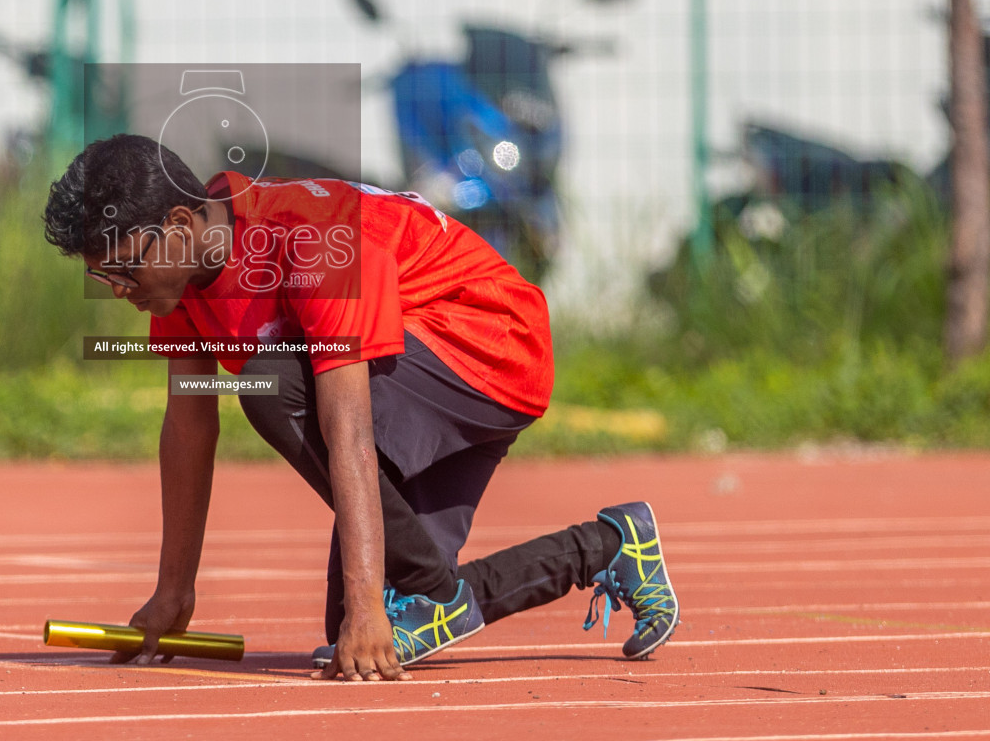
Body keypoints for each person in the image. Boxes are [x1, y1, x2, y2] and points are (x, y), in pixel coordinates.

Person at [42, 133, 679, 682]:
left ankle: (423, 591)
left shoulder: (313, 243)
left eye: (124, 271)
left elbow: (345, 420)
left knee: (268, 386)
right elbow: (188, 423)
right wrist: (174, 590)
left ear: (180, 227)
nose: (119, 291)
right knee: (383, 623)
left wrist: (368, 601)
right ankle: (609, 545)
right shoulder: (179, 280)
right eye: (104, 279)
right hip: (403, 370)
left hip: (486, 343)